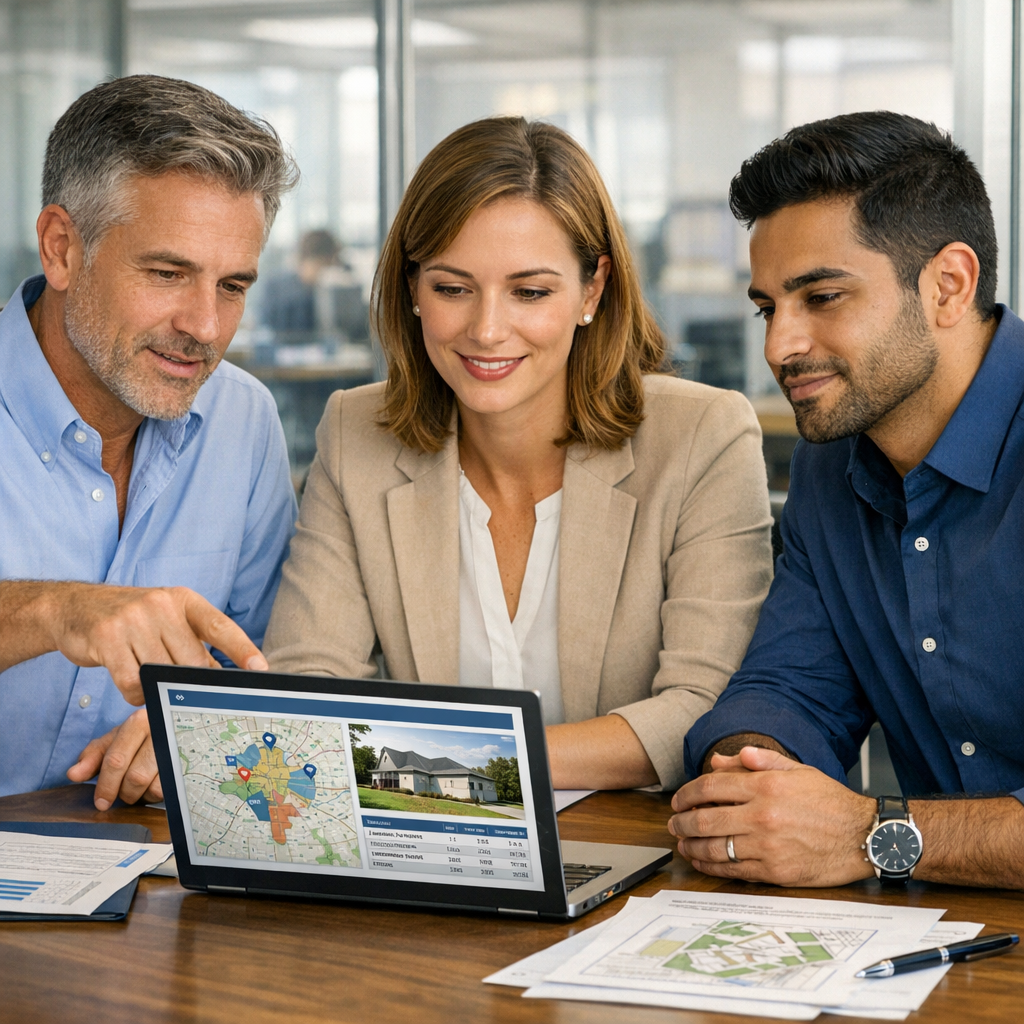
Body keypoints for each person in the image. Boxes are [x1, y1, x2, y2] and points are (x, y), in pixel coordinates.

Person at [263, 116, 773, 792]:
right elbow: (308, 693)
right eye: (451, 288)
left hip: (641, 857)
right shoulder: (354, 433)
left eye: (530, 292)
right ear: (413, 287)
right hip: (431, 852)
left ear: (592, 290)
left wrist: (453, 766)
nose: (487, 329)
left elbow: (700, 711)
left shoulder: (703, 436)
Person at [672, 111, 1024, 890]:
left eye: (822, 297)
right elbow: (791, 686)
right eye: (768, 308)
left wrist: (877, 834)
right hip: (952, 944)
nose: (777, 347)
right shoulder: (834, 465)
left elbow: (864, 835)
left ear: (948, 285)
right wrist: (754, 775)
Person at [0, 75, 300, 808]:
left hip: (149, 873)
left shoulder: (245, 422)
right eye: (168, 274)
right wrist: (57, 610)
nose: (205, 325)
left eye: (233, 286)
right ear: (63, 249)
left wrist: (202, 742)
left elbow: (267, 678)